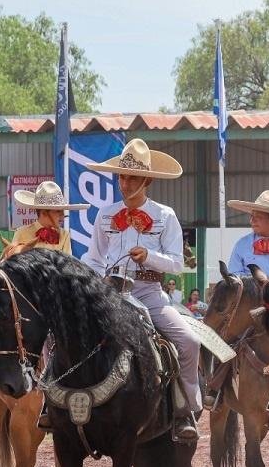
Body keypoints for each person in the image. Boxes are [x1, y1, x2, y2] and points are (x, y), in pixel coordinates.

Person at [84, 138, 202, 442]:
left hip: (149, 293)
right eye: (122, 177)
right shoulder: (106, 214)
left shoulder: (166, 215)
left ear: (147, 180)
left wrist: (148, 256)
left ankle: (184, 410)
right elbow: (94, 259)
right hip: (110, 294)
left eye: (132, 177)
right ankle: (57, 402)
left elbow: (178, 263)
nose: (125, 183)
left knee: (188, 341)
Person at [0, 181, 89, 405]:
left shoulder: (64, 236)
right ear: (44, 211)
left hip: (52, 302)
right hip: (24, 302)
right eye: (59, 211)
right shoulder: (22, 233)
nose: (62, 215)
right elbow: (9, 267)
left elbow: (67, 269)